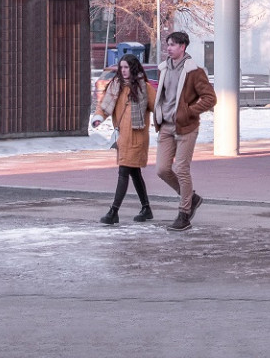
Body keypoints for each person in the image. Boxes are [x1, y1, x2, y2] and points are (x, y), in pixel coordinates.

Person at [153, 30, 217, 231]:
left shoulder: (194, 71)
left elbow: (210, 98)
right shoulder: (163, 68)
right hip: (166, 126)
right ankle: (192, 198)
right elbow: (163, 96)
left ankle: (184, 214)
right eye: (168, 44)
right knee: (162, 169)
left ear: (183, 47)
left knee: (181, 169)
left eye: (173, 45)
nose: (169, 48)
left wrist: (188, 112)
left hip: (186, 127)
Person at [91, 54, 156, 224]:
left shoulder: (144, 88)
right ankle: (146, 208)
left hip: (136, 138)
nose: (123, 70)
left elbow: (158, 108)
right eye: (121, 67)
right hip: (122, 137)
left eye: (126, 67)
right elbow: (104, 105)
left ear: (133, 68)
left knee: (124, 172)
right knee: (134, 172)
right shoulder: (115, 86)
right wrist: (99, 117)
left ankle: (114, 211)